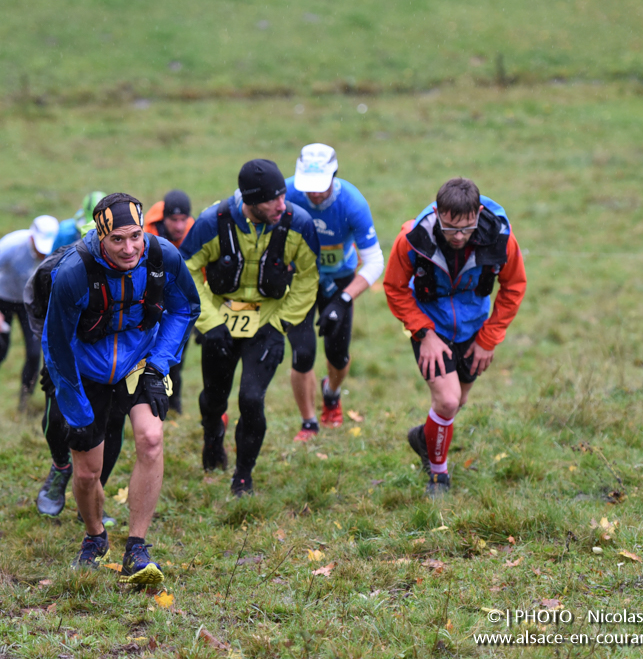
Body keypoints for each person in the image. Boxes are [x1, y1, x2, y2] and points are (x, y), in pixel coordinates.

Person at [43, 193, 199, 583]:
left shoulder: (163, 257)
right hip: (87, 372)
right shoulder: (74, 274)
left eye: (135, 236)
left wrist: (159, 364)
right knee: (86, 473)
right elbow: (56, 343)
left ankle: (137, 546)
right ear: (101, 237)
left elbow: (185, 308)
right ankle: (95, 537)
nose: (129, 248)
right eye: (117, 240)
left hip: (140, 363)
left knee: (150, 439)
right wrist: (75, 409)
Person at [180, 159, 319, 496]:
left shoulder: (297, 223)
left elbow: (308, 278)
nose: (282, 205)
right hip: (219, 324)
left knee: (252, 399)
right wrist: (210, 323)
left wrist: (281, 322)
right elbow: (185, 271)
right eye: (273, 199)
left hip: (267, 322)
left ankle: (243, 475)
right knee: (215, 398)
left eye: (283, 196)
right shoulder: (212, 223)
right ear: (250, 201)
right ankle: (212, 434)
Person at [383, 177, 526, 497]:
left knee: (457, 402)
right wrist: (424, 334)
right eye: (450, 228)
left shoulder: (500, 238)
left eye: (466, 228)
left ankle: (423, 438)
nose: (459, 236)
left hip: (475, 329)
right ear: (438, 213)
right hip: (429, 327)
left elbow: (514, 286)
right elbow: (394, 288)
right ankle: (438, 475)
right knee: (447, 401)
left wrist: (489, 338)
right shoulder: (412, 238)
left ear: (478, 213)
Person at [284, 144, 384, 441]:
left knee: (337, 356)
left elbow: (375, 260)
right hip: (300, 280)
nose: (313, 194)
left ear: (334, 175)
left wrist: (344, 299)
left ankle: (332, 392)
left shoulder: (352, 202)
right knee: (302, 354)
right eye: (308, 188)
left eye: (320, 187)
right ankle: (309, 422)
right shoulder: (287, 193)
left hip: (339, 281)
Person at [24, 240, 126, 527]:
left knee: (113, 420)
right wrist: (51, 358)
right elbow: (40, 316)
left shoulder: (134, 267)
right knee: (57, 415)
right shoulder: (52, 273)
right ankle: (60, 467)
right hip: (64, 343)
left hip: (112, 350)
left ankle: (92, 497)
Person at [0, 215, 60, 413]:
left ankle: (25, 404)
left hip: (29, 303)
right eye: (40, 249)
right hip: (1, 299)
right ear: (32, 237)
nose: (42, 254)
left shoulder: (57, 249)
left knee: (33, 353)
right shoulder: (11, 245)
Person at [143, 189, 196, 413]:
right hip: (150, 302)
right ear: (164, 219)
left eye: (183, 219)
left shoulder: (194, 233)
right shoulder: (146, 234)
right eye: (174, 220)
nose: (179, 226)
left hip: (180, 304)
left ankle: (175, 405)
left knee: (178, 356)